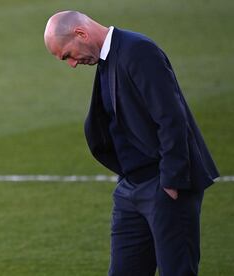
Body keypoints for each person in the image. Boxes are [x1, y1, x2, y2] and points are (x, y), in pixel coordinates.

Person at [44, 10, 219, 276]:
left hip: (164, 186)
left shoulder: (138, 51)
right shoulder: (108, 59)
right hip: (130, 190)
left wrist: (171, 181)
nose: (71, 64)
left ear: (80, 33)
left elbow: (171, 116)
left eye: (67, 54)